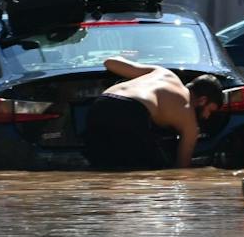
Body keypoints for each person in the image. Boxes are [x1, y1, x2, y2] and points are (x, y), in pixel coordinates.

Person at [85, 58, 225, 170]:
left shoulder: (163, 73)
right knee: (136, 171)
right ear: (202, 100)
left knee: (100, 167)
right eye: (210, 110)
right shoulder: (190, 121)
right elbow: (182, 169)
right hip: (132, 111)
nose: (207, 116)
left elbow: (110, 62)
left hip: (101, 104)